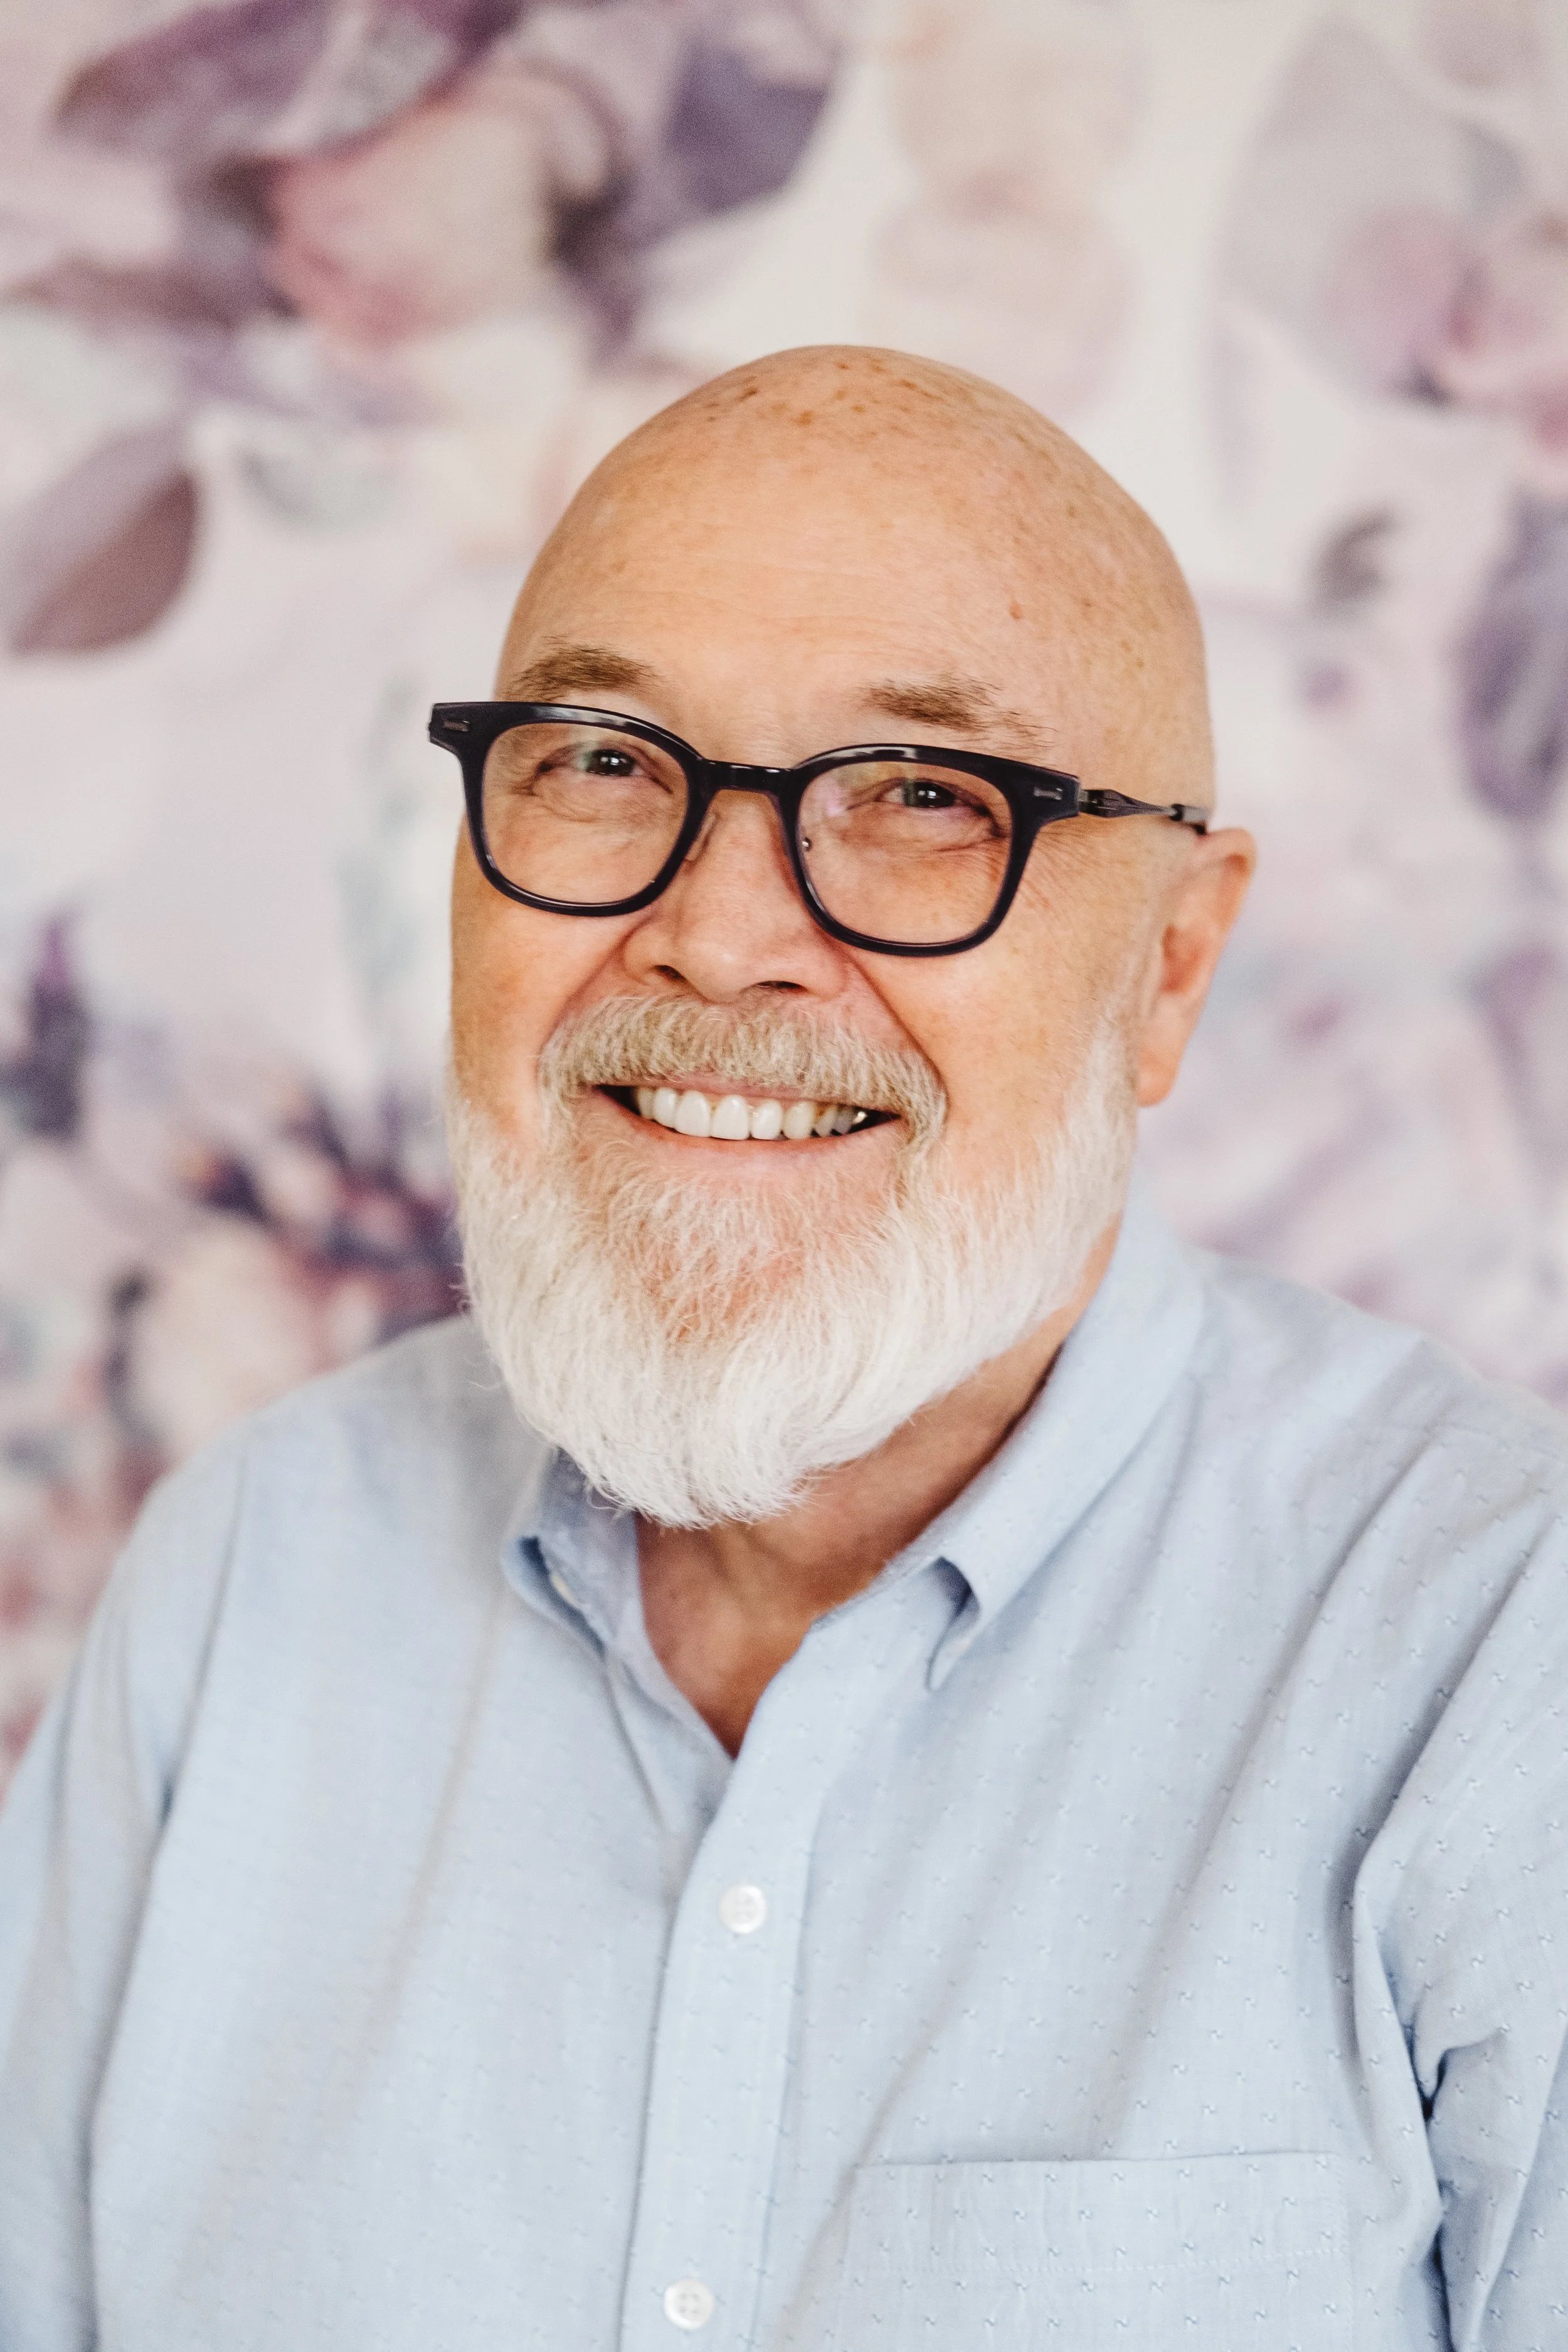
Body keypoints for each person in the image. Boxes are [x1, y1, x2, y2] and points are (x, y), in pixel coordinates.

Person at [1, 346, 1564, 2351]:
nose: (718, 936)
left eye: (926, 796)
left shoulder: (1494, 1657)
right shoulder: (242, 1579)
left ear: (1167, 963)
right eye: (600, 761)